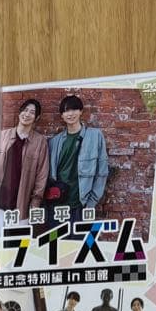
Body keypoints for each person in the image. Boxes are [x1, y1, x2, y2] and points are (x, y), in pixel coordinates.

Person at [48, 95, 109, 225]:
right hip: (57, 204)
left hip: (82, 204)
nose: (70, 114)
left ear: (81, 111)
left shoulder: (95, 136)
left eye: (74, 109)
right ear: (62, 115)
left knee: (79, 238)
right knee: (55, 237)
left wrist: (92, 202)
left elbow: (102, 171)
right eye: (66, 111)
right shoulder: (54, 142)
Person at [0, 99, 51, 222]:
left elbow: (42, 174)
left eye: (32, 112)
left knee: (19, 234)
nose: (27, 114)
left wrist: (35, 202)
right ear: (19, 112)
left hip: (22, 206)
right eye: (25, 110)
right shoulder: (2, 136)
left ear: (37, 118)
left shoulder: (40, 142)